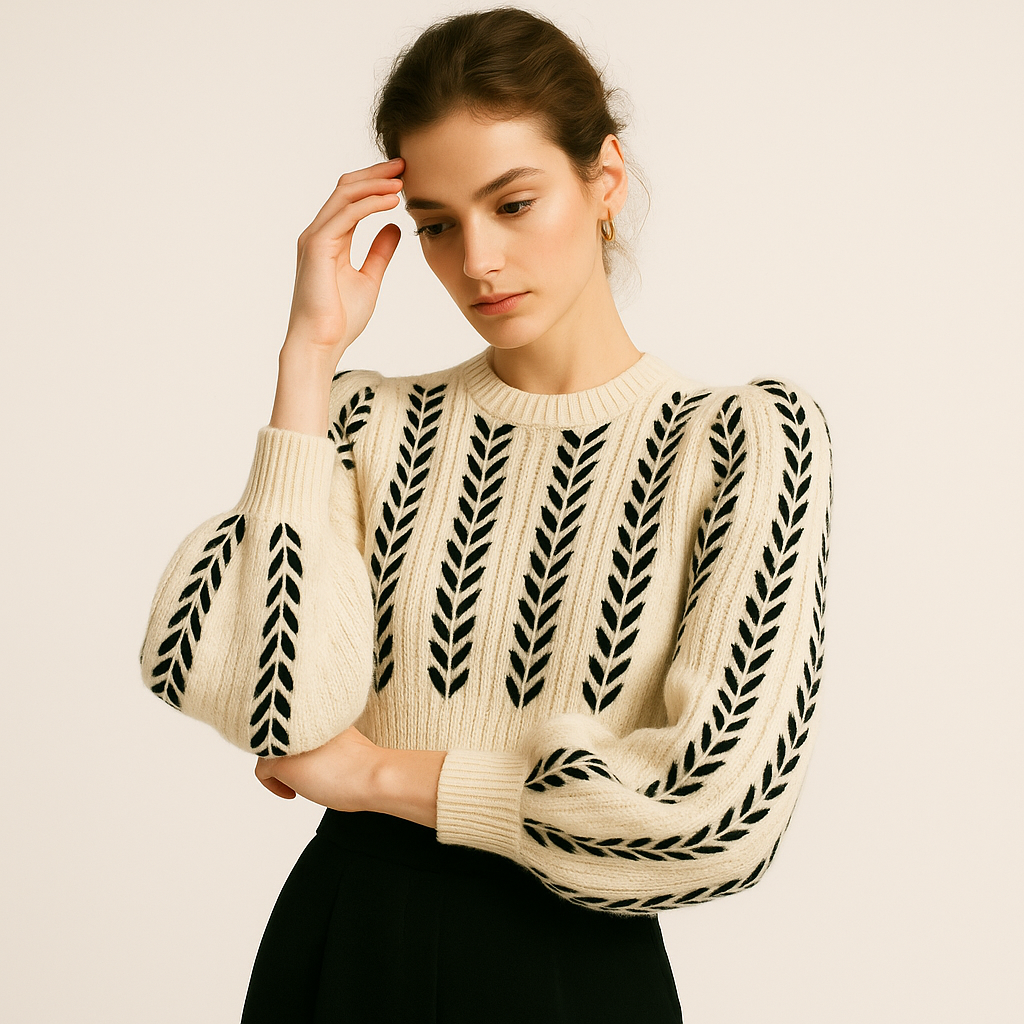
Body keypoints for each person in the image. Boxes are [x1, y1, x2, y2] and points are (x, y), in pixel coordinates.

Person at [138, 7, 833, 1023]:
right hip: (345, 946)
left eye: (513, 203)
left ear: (604, 179)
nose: (478, 260)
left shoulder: (739, 440)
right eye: (436, 224)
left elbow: (712, 818)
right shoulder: (363, 420)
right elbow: (268, 709)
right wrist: (308, 358)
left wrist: (375, 773)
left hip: (572, 970)